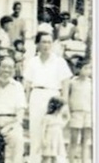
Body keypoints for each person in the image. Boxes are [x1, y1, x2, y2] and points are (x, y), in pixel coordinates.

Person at [23, 32, 72, 163]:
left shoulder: (59, 61)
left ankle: (57, 160)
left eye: (49, 42)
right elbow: (27, 84)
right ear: (38, 44)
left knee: (54, 130)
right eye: (44, 42)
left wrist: (65, 103)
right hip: (37, 95)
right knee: (36, 129)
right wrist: (25, 103)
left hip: (54, 97)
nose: (46, 45)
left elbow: (65, 83)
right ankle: (35, 159)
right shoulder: (32, 62)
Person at [68, 58, 92, 163]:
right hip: (75, 112)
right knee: (74, 140)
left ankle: (85, 160)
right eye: (85, 68)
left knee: (85, 141)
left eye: (90, 68)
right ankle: (71, 160)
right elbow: (68, 97)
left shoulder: (92, 83)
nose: (88, 71)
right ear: (79, 69)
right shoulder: (72, 82)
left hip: (88, 113)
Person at [40, 97, 69, 163]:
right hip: (49, 140)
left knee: (55, 157)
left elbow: (61, 126)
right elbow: (43, 130)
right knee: (46, 157)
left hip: (57, 140)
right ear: (57, 108)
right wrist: (43, 139)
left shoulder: (59, 117)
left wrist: (67, 119)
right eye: (62, 108)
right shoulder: (47, 117)